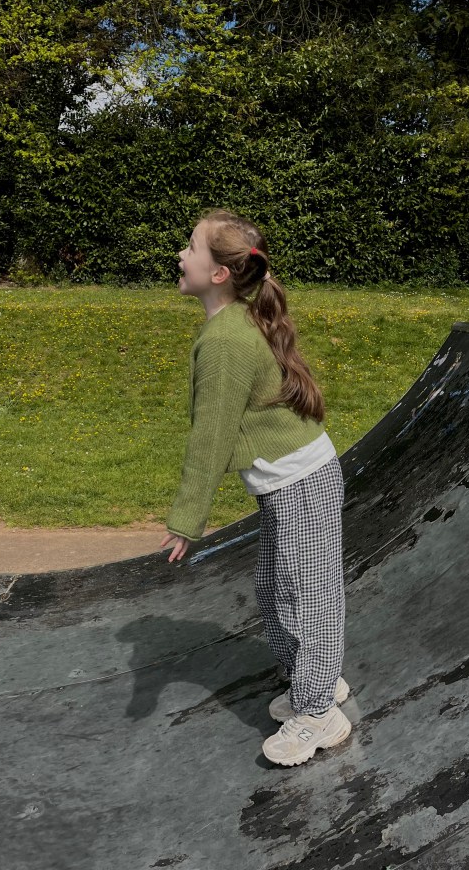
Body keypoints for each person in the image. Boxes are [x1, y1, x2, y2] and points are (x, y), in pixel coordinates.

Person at [160, 208, 351, 768]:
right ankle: (314, 683)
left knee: (308, 600)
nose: (180, 255)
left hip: (302, 485)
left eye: (190, 248)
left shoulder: (226, 341)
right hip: (287, 484)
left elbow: (210, 439)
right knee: (275, 592)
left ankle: (320, 713)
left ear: (219, 273)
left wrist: (186, 522)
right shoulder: (234, 324)